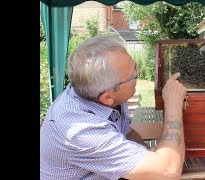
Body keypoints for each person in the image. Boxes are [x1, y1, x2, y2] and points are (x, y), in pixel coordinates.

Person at [40, 35, 187, 180]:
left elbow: (126, 132)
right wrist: (173, 105)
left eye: (135, 65)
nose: (139, 71)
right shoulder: (82, 131)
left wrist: (146, 153)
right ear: (107, 97)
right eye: (134, 74)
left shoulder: (95, 90)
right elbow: (168, 172)